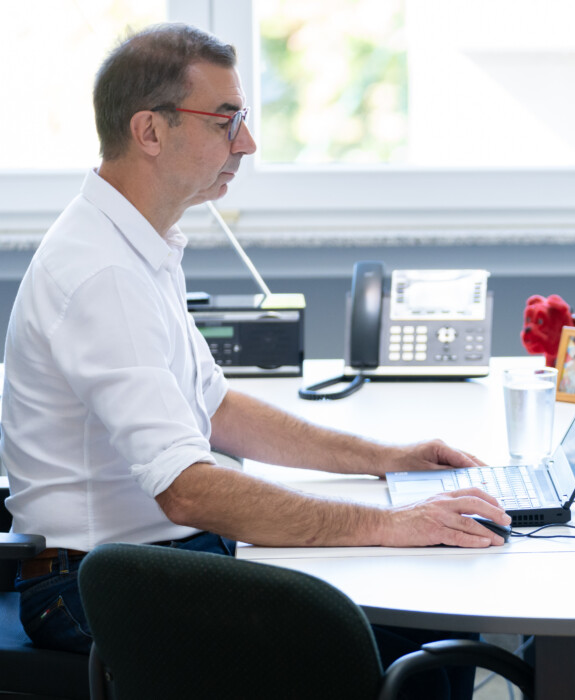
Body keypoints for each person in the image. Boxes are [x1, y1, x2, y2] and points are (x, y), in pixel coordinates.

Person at [0, 22, 510, 674]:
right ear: (149, 131)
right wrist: (390, 523)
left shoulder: (136, 244)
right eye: (225, 121)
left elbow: (216, 411)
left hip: (157, 561)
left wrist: (387, 460)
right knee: (403, 645)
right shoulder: (102, 272)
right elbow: (187, 491)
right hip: (97, 591)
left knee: (414, 619)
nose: (247, 142)